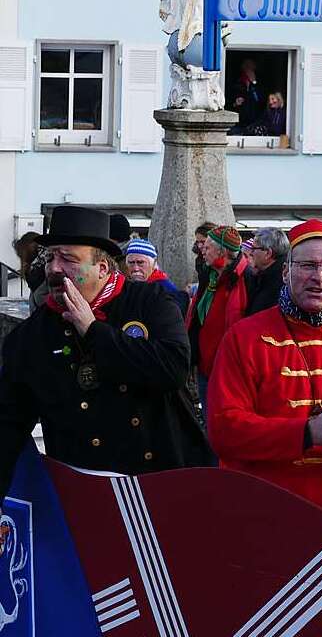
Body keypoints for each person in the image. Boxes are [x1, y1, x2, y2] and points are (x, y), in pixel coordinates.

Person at [0, 206, 212, 504]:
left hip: (163, 480)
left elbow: (172, 368)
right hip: (87, 492)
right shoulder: (31, 335)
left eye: (68, 259)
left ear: (103, 269)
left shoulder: (150, 302)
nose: (54, 268)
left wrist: (92, 329)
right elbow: (9, 422)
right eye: (50, 257)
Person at [207, 220, 322, 521]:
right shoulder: (244, 339)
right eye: (307, 266)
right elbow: (223, 429)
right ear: (285, 272)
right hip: (264, 517)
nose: (318, 277)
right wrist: (304, 433)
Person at [187, 225, 248, 414]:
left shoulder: (244, 279)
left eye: (208, 246)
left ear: (223, 251)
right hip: (205, 366)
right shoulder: (210, 277)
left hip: (227, 369)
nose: (202, 249)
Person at [123, 239, 188, 316]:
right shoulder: (127, 287)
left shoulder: (167, 290)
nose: (135, 268)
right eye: (131, 263)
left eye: (140, 263)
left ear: (153, 265)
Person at [244, 227, 289, 316]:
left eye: (254, 249)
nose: (251, 253)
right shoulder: (266, 276)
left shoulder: (281, 284)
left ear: (268, 253)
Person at [229, 58, 262, 131]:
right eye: (246, 67)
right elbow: (228, 103)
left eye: (250, 67)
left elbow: (259, 100)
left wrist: (253, 82)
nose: (248, 70)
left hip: (255, 121)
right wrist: (235, 103)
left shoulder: (259, 82)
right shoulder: (237, 83)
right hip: (238, 121)